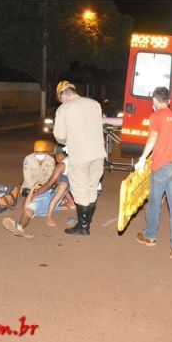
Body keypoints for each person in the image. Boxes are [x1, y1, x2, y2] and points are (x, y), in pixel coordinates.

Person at [134, 87, 172, 259]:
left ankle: (150, 236)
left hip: (162, 165)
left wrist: (142, 158)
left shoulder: (156, 116)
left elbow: (153, 138)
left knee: (155, 203)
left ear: (155, 101)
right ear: (169, 101)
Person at [53, 80, 106, 236]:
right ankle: (86, 223)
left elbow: (60, 136)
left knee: (80, 191)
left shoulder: (64, 108)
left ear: (63, 94)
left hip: (80, 155)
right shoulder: (95, 103)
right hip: (98, 154)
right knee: (91, 188)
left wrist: (66, 139)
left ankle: (83, 227)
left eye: (60, 97)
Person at [1, 144, 74, 237]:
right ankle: (19, 228)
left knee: (28, 208)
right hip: (42, 193)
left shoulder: (54, 162)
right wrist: (33, 188)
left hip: (44, 192)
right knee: (29, 210)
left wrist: (34, 192)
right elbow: (29, 178)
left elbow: (50, 182)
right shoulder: (29, 159)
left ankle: (19, 227)